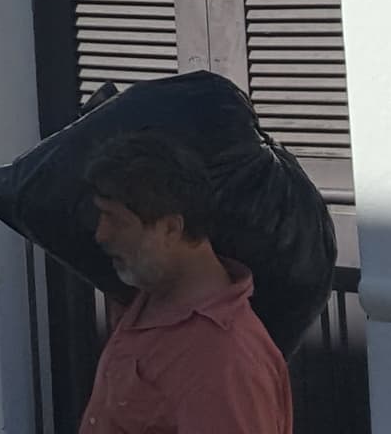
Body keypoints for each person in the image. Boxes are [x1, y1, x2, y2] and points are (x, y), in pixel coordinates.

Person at [77, 128, 292, 434]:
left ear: (170, 228)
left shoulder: (221, 361)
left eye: (117, 220)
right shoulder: (149, 296)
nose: (101, 234)